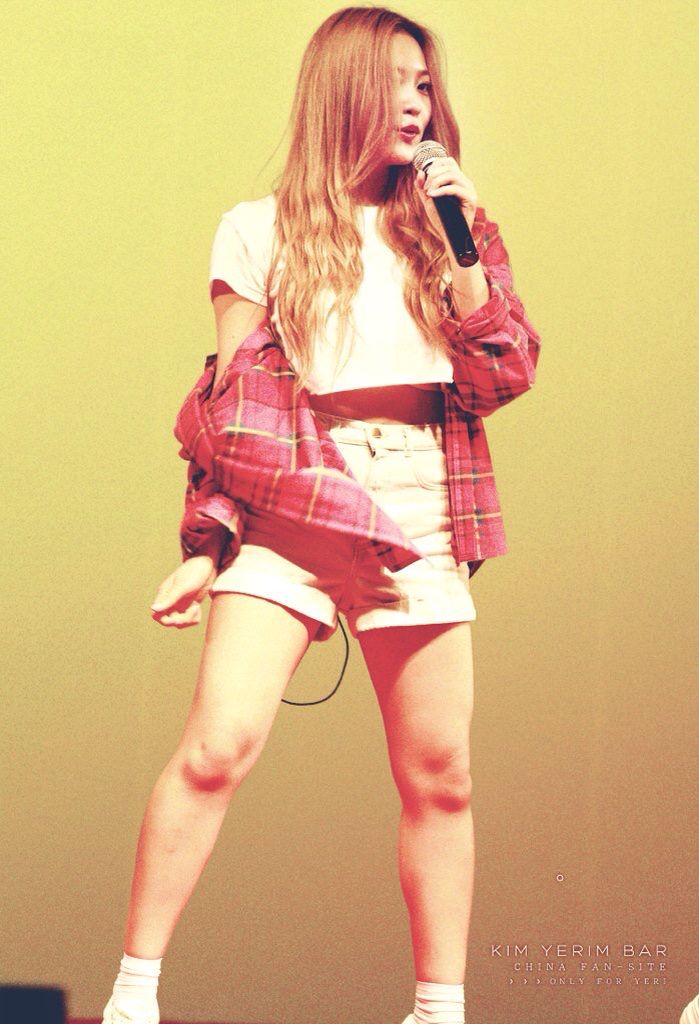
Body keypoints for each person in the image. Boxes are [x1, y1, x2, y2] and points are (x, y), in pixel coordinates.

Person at [101, 6, 541, 1024]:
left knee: (442, 775)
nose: (415, 103)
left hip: (420, 496)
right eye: (393, 82)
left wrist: (463, 246)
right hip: (297, 491)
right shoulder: (257, 229)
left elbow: (503, 373)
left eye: (424, 84)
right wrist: (207, 544)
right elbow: (236, 411)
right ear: (341, 90)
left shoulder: (451, 227)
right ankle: (132, 999)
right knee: (217, 746)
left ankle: (438, 1010)